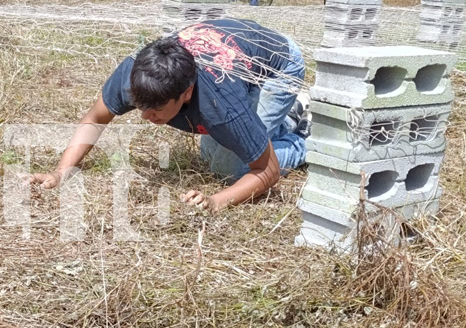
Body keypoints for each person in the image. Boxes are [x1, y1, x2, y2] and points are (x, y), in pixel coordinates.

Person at [29, 18, 311, 213]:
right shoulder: (137, 74)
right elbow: (95, 119)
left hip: (278, 66)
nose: (145, 117)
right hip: (238, 55)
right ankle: (285, 117)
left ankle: (304, 138)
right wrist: (61, 172)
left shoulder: (221, 105)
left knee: (231, 171)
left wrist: (216, 201)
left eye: (157, 109)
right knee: (212, 155)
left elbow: (267, 170)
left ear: (186, 93)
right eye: (142, 106)